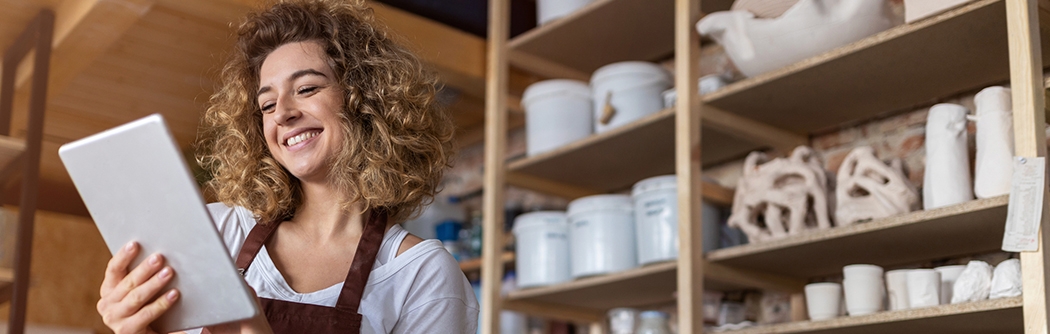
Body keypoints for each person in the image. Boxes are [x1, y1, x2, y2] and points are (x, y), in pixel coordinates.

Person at [94, 0, 478, 333]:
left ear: (365, 99)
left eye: (307, 88)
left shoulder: (420, 275)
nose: (284, 114)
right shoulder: (217, 233)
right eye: (267, 105)